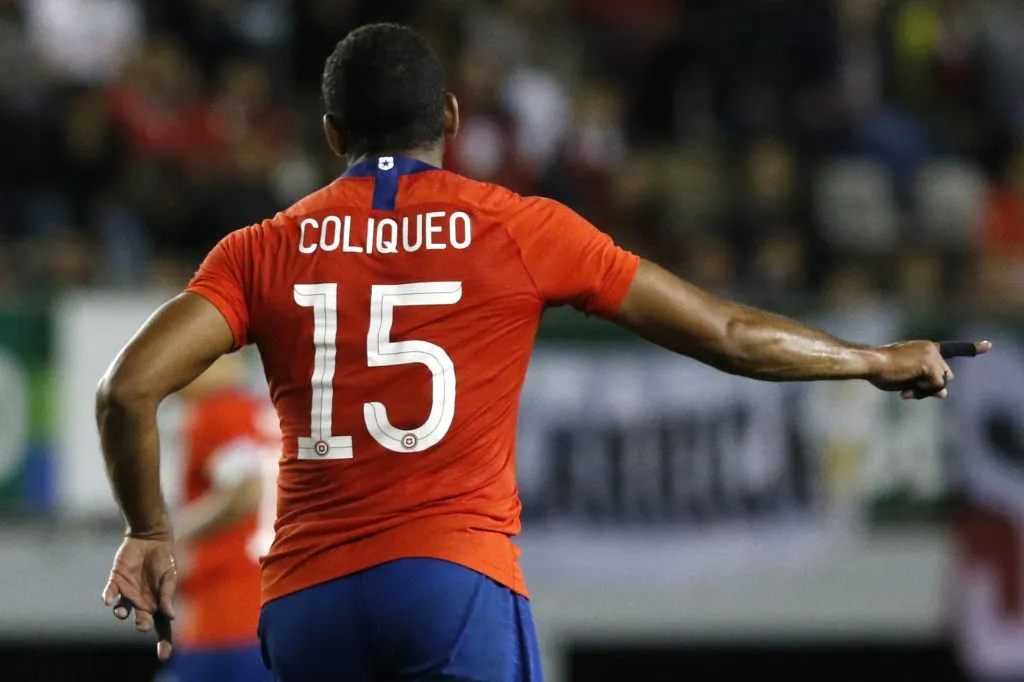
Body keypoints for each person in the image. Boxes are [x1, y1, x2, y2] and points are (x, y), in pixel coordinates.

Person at [97, 22, 990, 682]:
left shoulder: (261, 248)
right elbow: (726, 333)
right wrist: (870, 357)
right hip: (452, 580)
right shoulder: (517, 228)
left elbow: (127, 390)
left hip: (304, 604)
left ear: (332, 134)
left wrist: (148, 530)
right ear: (449, 116)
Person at [159, 353, 278, 682]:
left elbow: (246, 491)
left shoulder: (217, 412)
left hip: (224, 623)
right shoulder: (262, 412)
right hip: (274, 612)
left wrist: (172, 537)